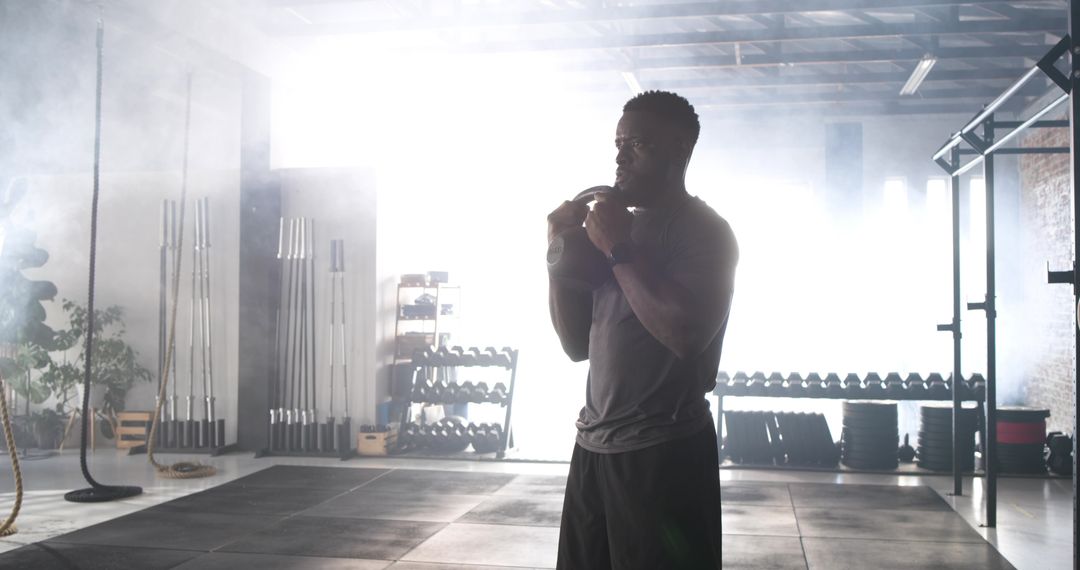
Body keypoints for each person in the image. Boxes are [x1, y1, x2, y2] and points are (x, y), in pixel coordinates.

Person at [547, 90, 738, 569]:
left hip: (663, 454)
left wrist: (617, 248)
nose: (619, 154)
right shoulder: (610, 228)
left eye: (637, 143)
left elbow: (684, 335)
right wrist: (556, 256)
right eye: (618, 142)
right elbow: (575, 345)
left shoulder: (704, 231)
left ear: (678, 149)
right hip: (593, 446)